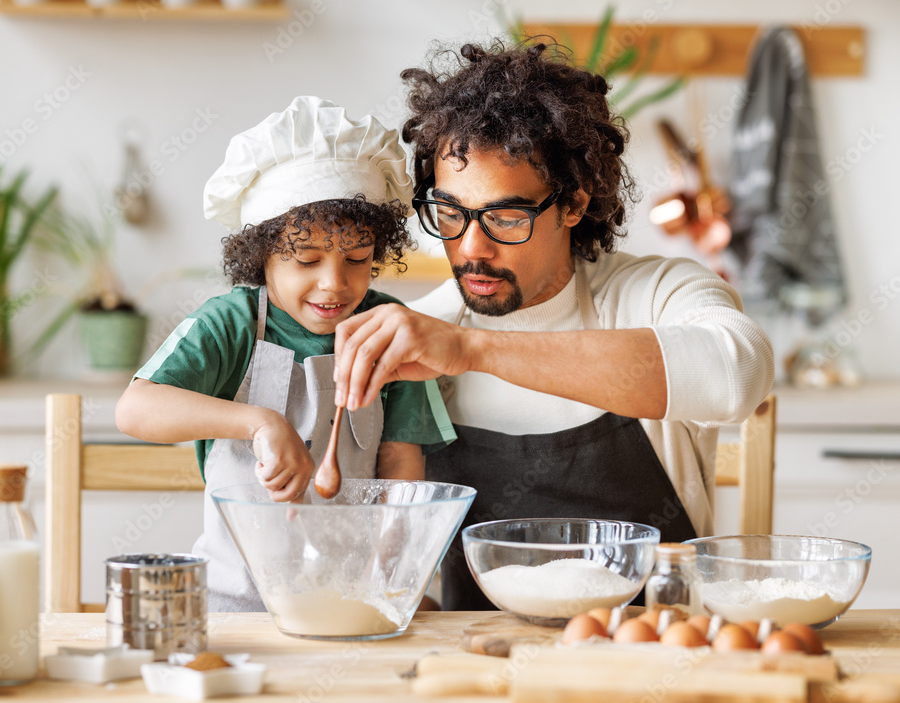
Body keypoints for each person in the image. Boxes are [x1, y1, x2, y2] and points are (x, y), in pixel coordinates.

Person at [331, 42, 775, 610]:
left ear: (573, 204)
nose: (471, 247)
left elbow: (735, 374)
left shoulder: (654, 295)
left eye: (506, 216)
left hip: (658, 657)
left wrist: (474, 350)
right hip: (475, 664)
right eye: (449, 213)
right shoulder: (426, 332)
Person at [115, 96, 455, 612]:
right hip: (234, 607)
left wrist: (388, 578)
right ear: (261, 257)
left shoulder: (387, 328)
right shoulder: (229, 325)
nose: (334, 284)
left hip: (347, 604)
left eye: (357, 259)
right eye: (307, 260)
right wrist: (261, 424)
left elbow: (401, 463)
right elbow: (135, 409)